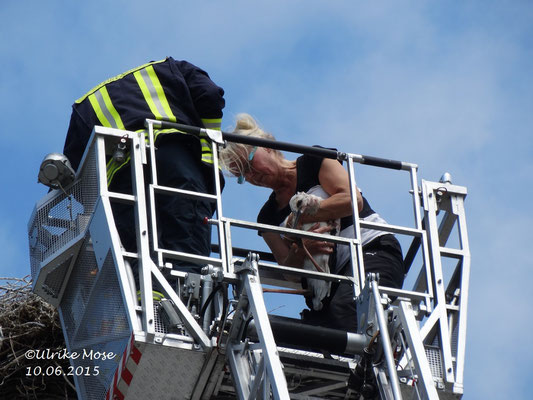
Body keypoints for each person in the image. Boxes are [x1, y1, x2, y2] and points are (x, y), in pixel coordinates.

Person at [219, 114, 404, 332]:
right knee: (319, 335)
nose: (250, 176)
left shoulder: (314, 160)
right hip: (328, 286)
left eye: (248, 164)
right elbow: (290, 272)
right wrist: (300, 247)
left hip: (371, 251)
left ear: (266, 146)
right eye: (240, 175)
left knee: (345, 317)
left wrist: (299, 219)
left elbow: (353, 201)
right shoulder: (267, 217)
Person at [63, 57, 225, 273]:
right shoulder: (171, 68)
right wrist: (211, 143)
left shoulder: (84, 106)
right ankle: (183, 294)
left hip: (122, 184)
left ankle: (150, 296)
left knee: (138, 255)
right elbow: (210, 95)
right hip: (174, 158)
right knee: (185, 246)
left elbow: (74, 175)